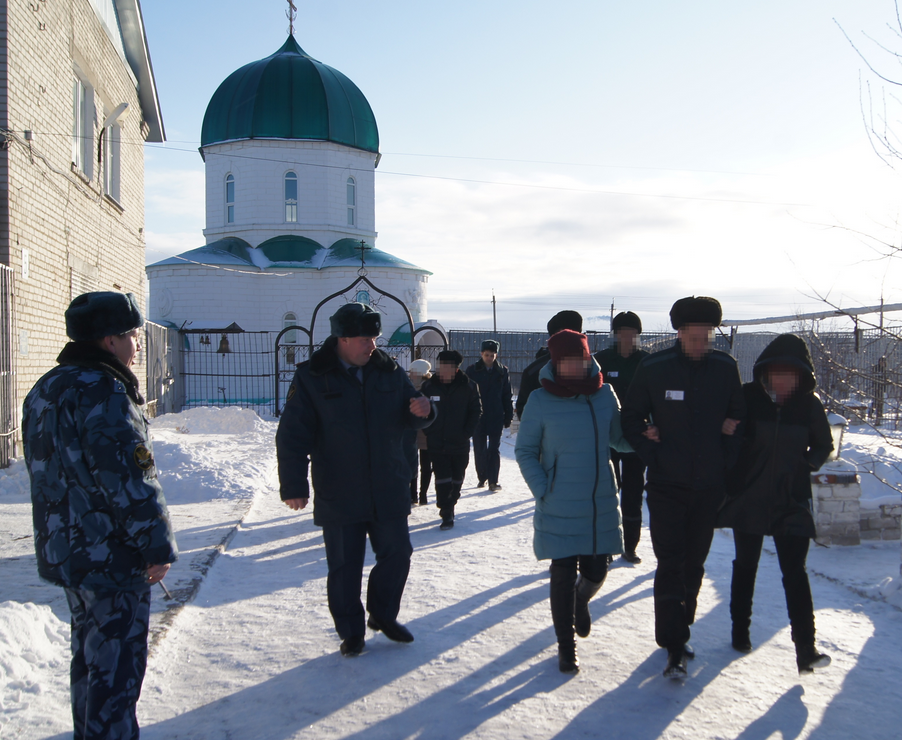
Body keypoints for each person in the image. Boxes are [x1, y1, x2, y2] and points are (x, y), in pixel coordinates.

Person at [22, 291, 178, 740]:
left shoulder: (46, 388)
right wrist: (155, 545)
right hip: (111, 556)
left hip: (68, 550)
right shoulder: (105, 391)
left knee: (89, 665)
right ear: (109, 341)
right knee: (116, 675)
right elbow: (130, 478)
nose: (137, 344)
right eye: (132, 335)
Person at [276, 303, 435, 657]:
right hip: (339, 489)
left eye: (375, 338)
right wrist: (294, 485)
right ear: (343, 339)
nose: (372, 346)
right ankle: (350, 630)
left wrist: (426, 411)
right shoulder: (312, 376)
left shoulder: (388, 371)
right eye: (365, 339)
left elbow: (415, 412)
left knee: (398, 555)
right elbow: (292, 435)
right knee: (345, 566)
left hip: (388, 484)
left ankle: (382, 614)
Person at [621, 296, 745, 679]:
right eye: (694, 337)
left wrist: (728, 445)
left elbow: (740, 416)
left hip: (708, 486)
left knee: (694, 564)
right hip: (666, 484)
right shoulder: (654, 366)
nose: (701, 344)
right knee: (670, 562)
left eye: (707, 336)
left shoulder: (725, 367)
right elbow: (631, 418)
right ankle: (673, 642)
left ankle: (681, 628)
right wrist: (648, 441)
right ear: (678, 333)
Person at [515, 330, 631, 673]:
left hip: (598, 501)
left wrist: (648, 435)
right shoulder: (539, 399)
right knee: (562, 573)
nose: (573, 368)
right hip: (558, 501)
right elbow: (524, 451)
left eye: (578, 360)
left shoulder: (604, 395)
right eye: (565, 362)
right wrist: (542, 488)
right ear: (555, 363)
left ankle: (582, 599)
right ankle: (566, 648)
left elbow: (620, 440)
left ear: (587, 358)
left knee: (596, 570)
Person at [717, 334, 834, 674]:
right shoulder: (749, 398)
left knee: (795, 573)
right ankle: (740, 632)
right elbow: (730, 436)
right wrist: (727, 433)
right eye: (776, 374)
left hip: (790, 500)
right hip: (749, 497)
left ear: (801, 377)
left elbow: (824, 445)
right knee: (746, 565)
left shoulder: (809, 405)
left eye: (790, 375)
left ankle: (806, 649)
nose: (782, 381)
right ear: (765, 373)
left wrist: (805, 466)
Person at [595, 311, 649, 564]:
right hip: (606, 435)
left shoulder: (647, 363)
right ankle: (606, 544)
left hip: (637, 436)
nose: (627, 337)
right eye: (622, 333)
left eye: (632, 333)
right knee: (607, 490)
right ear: (615, 335)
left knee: (633, 493)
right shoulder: (601, 361)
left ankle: (630, 545)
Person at [420, 350, 482, 530]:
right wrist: (429, 430)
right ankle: (446, 512)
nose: (442, 370)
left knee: (457, 477)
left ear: (455, 369)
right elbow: (421, 412)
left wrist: (466, 432)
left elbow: (476, 411)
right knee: (442, 477)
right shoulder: (429, 387)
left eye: (446, 367)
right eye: (440, 366)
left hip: (459, 442)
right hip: (436, 442)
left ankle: (452, 500)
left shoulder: (469, 386)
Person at [515, 310, 584, 420]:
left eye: (576, 334)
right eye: (566, 335)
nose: (571, 340)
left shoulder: (594, 370)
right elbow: (524, 413)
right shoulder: (534, 373)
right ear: (553, 338)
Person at [466, 339, 513, 491]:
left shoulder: (502, 371)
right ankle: (482, 477)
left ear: (496, 355)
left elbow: (507, 394)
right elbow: (466, 395)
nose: (489, 358)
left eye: (492, 355)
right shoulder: (472, 371)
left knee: (494, 449)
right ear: (481, 354)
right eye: (487, 355)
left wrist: (508, 415)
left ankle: (493, 480)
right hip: (478, 416)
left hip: (496, 415)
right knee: (479, 448)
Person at [407, 359, 433, 506]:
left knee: (425, 463)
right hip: (411, 429)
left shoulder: (428, 388)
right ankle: (413, 494)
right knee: (412, 462)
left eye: (412, 371)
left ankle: (422, 494)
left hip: (425, 430)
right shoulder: (408, 386)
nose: (410, 374)